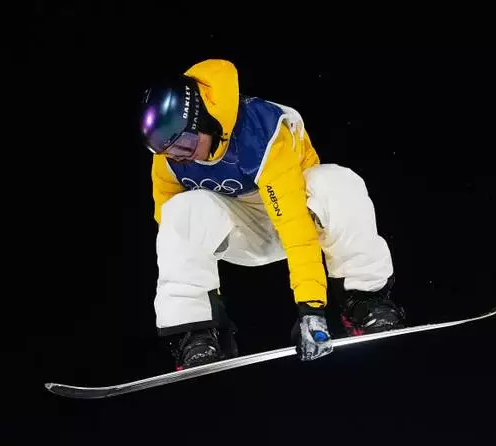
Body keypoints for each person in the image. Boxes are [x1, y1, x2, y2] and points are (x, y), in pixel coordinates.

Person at [139, 58, 405, 370]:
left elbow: (294, 225)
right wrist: (208, 299)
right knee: (179, 210)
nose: (180, 157)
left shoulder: (261, 134)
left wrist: (311, 310)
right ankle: (195, 333)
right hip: (243, 229)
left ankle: (365, 299)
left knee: (337, 182)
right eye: (167, 151)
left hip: (301, 217)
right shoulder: (171, 161)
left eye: (184, 144)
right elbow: (172, 233)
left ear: (203, 120)